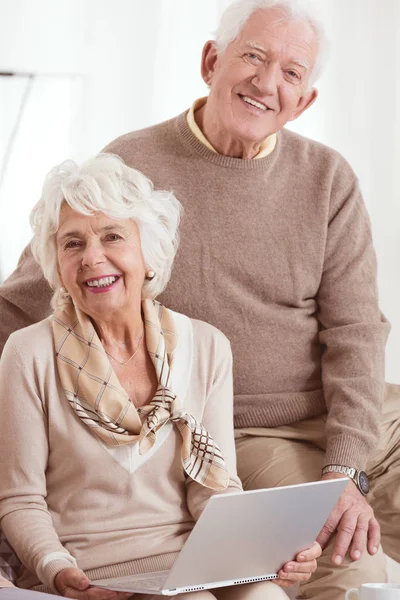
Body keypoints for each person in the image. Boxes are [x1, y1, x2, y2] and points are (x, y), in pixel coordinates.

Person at [0, 0, 399, 598]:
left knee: (354, 499)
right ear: (212, 61)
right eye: (253, 57)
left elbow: (358, 332)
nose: (267, 83)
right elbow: (36, 290)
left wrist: (348, 466)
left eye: (292, 73)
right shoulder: (132, 165)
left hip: (360, 413)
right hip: (255, 429)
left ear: (305, 100)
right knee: (350, 564)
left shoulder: (327, 177)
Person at [0, 154, 320, 600]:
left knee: (265, 595)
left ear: (148, 253)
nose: (93, 257)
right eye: (72, 244)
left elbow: (216, 485)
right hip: (86, 569)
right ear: (57, 266)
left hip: (191, 561)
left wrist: (266, 550)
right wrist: (57, 571)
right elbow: (20, 499)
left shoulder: (207, 345)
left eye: (112, 236)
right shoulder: (28, 352)